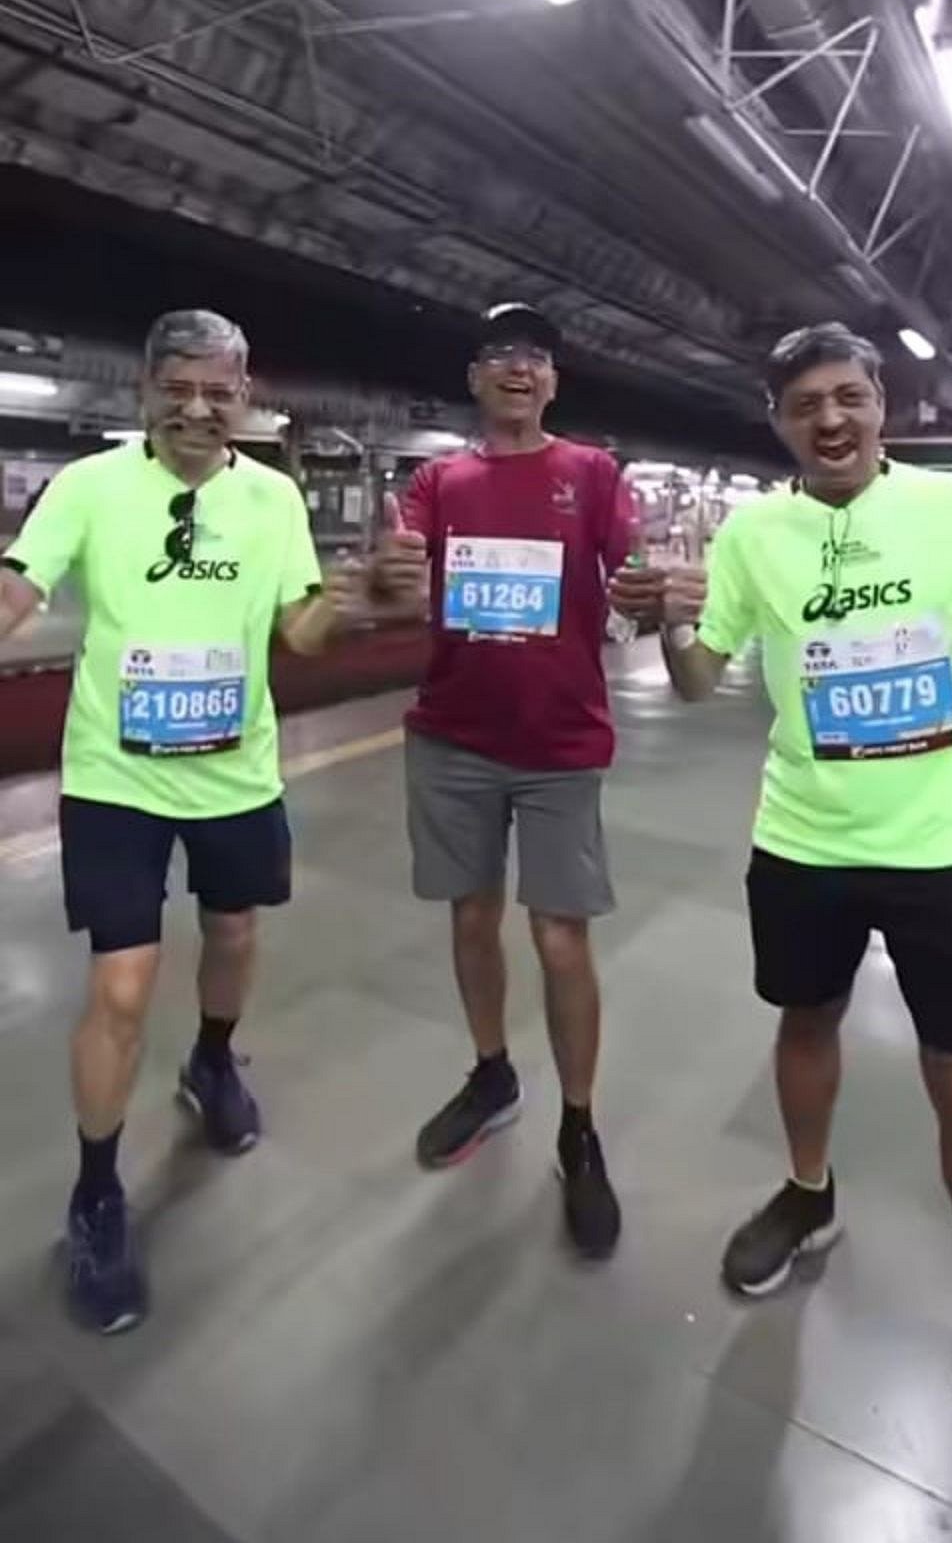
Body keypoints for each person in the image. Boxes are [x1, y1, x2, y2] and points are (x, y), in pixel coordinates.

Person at [610, 321, 952, 1524]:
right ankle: (809, 1192)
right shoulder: (755, 535)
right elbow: (706, 679)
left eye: (851, 395)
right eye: (807, 403)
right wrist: (665, 617)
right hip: (805, 844)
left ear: (881, 404)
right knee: (802, 1022)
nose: (832, 418)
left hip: (948, 848)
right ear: (779, 423)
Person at [0, 309, 373, 1335]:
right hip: (115, 779)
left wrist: (344, 596)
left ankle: (213, 1059)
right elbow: (18, 589)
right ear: (145, 392)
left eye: (222, 390)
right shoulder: (89, 488)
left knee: (234, 932)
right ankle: (96, 1192)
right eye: (181, 387)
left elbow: (298, 633)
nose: (201, 407)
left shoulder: (273, 498)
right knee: (121, 980)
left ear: (245, 398)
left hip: (237, 778)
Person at [370, 302, 636, 1259]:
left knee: (562, 938)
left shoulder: (592, 474)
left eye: (535, 359)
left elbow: (635, 574)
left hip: (562, 744)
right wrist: (389, 581)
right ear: (476, 381)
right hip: (452, 739)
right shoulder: (439, 481)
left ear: (553, 382)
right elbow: (402, 583)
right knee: (470, 916)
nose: (518, 372)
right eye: (498, 358)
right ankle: (492, 1075)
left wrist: (660, 596)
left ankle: (579, 1124)